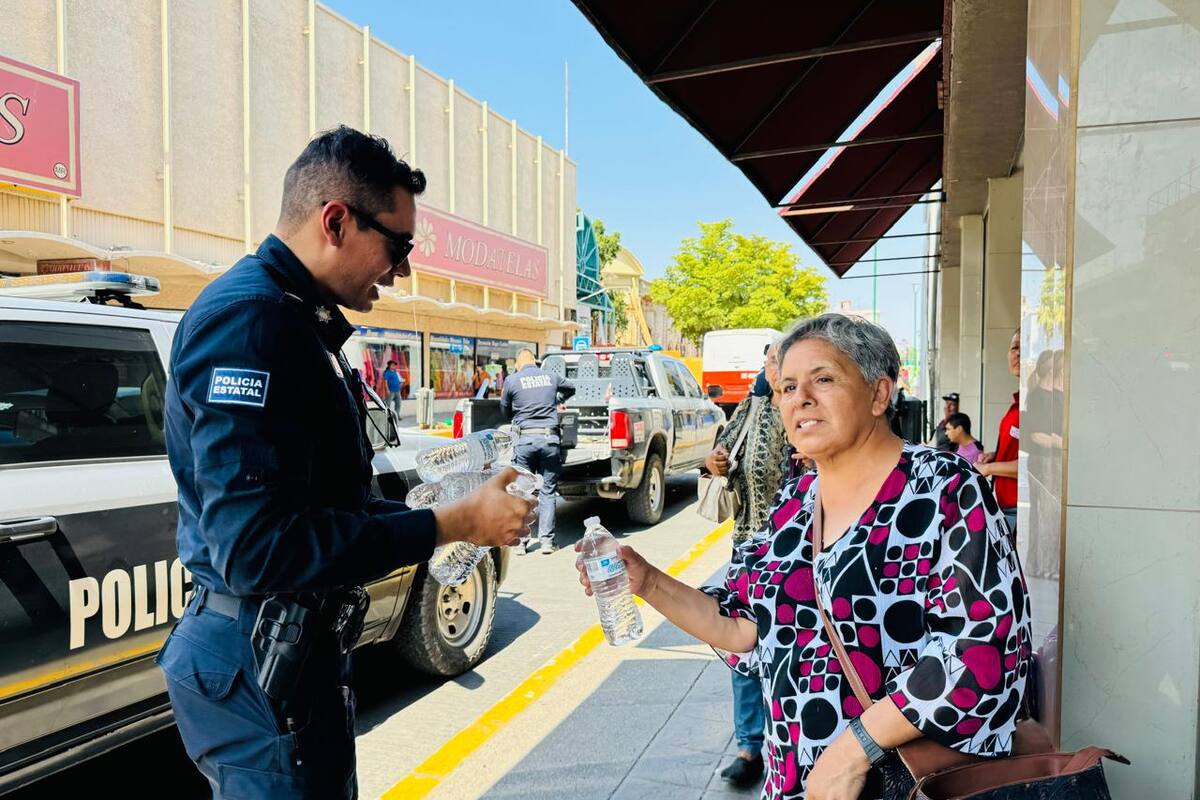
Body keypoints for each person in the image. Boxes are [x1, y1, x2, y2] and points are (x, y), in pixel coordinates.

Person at [160, 126, 534, 799]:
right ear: (335, 220)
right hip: (257, 656)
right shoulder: (249, 325)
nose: (403, 270)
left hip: (286, 651)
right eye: (398, 245)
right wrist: (450, 525)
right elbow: (257, 551)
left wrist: (456, 512)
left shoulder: (295, 319)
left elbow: (320, 509)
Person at [579, 313, 1031, 800]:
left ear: (879, 394)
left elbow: (982, 651)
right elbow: (741, 624)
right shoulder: (794, 503)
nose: (801, 399)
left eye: (824, 379)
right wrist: (646, 581)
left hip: (900, 785)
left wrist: (853, 751)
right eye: (788, 387)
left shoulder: (942, 489)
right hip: (798, 785)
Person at [704, 338, 788, 788]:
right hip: (748, 546)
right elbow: (718, 455)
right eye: (769, 360)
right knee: (743, 648)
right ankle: (749, 746)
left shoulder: (806, 409)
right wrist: (715, 461)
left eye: (778, 358)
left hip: (803, 550)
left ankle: (790, 737)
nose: (771, 367)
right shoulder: (752, 407)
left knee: (794, 647)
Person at [501, 348, 575, 554]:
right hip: (549, 440)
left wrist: (517, 412)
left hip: (524, 442)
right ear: (535, 361)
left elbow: (505, 409)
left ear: (518, 363)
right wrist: (556, 400)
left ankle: (522, 543)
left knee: (523, 492)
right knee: (548, 491)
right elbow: (570, 388)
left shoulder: (512, 380)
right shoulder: (550, 376)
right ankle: (547, 542)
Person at [977, 330, 1021, 541]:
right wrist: (997, 455)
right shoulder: (1018, 403)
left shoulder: (1039, 403)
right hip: (1006, 507)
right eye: (1014, 348)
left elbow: (1033, 465)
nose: (1018, 354)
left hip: (1020, 511)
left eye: (1023, 347)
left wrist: (988, 468)